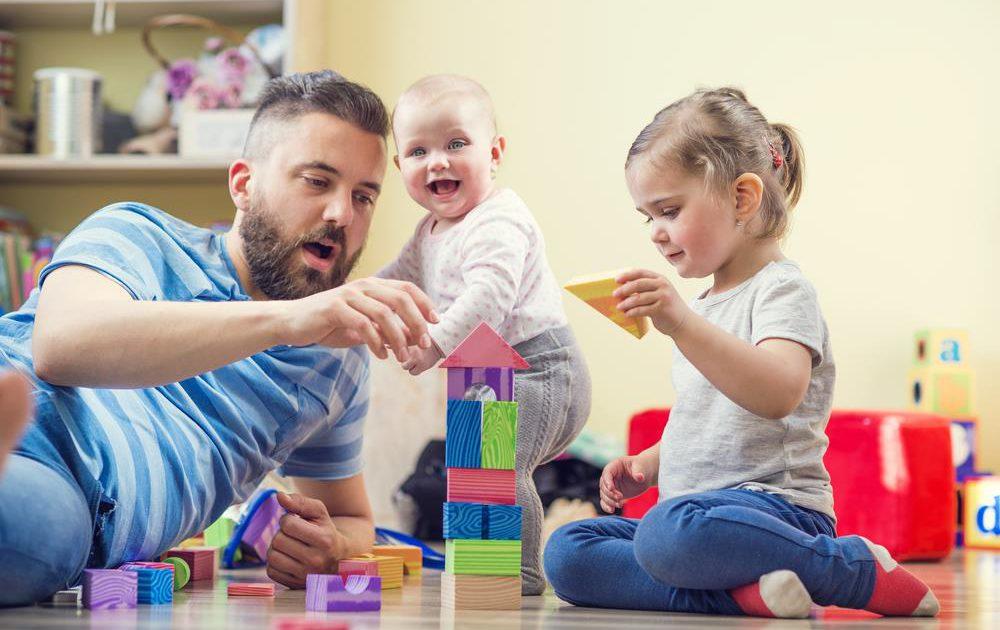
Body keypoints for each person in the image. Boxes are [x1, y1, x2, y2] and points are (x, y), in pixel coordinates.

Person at [0, 70, 438, 606]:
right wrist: (285, 319)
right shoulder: (138, 233)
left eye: (364, 196)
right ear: (243, 184)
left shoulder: (335, 361)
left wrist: (334, 548)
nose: (341, 214)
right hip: (24, 403)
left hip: (73, 501)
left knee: (26, 536)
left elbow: (352, 518)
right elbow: (60, 347)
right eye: (317, 181)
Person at [543, 87, 938, 618]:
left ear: (741, 198)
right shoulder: (704, 306)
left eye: (669, 210)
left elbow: (777, 393)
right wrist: (649, 465)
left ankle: (846, 568)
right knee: (568, 552)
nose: (657, 234)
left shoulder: (781, 290)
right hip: (698, 514)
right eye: (647, 218)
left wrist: (680, 322)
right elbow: (706, 415)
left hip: (777, 514)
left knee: (665, 535)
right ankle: (744, 597)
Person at [378, 74, 591, 595]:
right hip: (484, 371)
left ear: (494, 152)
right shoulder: (428, 232)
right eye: (418, 150)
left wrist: (432, 342)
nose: (438, 161)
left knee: (500, 464)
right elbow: (393, 281)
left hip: (541, 368)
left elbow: (489, 297)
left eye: (456, 144)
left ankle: (518, 571)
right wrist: (349, 302)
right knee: (469, 469)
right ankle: (477, 564)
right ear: (399, 165)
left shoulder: (499, 219)